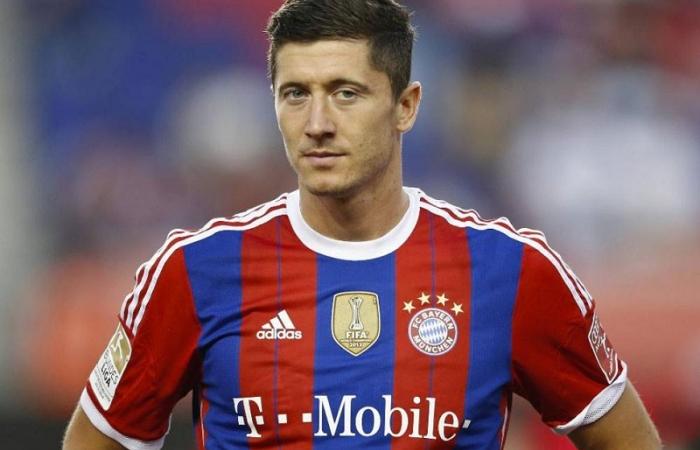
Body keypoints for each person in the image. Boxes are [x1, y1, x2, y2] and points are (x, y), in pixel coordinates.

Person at [63, 0, 661, 448]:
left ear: (406, 106)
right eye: (295, 94)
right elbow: (98, 439)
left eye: (345, 93)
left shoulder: (511, 272)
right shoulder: (196, 272)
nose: (317, 122)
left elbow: (626, 438)